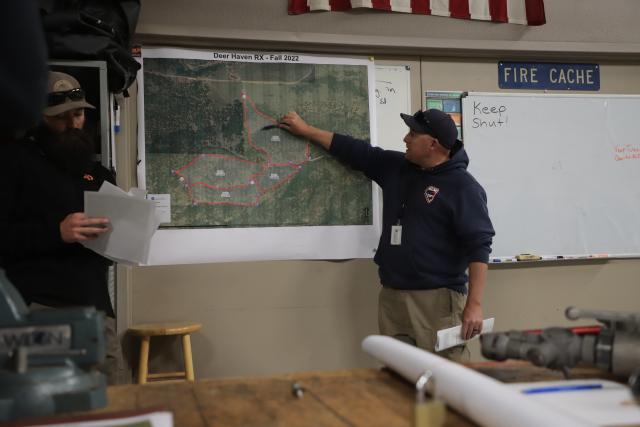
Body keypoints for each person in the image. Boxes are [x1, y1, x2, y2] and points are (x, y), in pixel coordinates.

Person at [279, 109, 495, 361]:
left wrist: (474, 304)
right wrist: (307, 131)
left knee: (444, 379)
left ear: (433, 144)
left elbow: (479, 246)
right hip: (392, 295)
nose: (406, 138)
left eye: (413, 134)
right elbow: (357, 151)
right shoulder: (398, 167)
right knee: (398, 375)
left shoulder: (463, 187)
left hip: (436, 301)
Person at [0, 71, 127, 383]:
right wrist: (55, 233)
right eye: (61, 117)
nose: (73, 124)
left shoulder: (100, 175)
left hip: (96, 312)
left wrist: (125, 238)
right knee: (49, 407)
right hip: (39, 311)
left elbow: (108, 251)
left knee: (113, 403)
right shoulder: (13, 162)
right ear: (39, 118)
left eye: (79, 114)